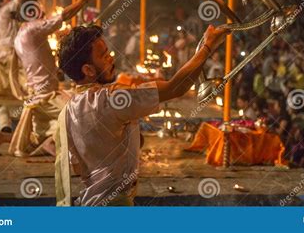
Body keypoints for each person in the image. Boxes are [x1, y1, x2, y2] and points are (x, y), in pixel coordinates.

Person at [55, 24, 229, 206]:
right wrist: (208, 46)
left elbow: (80, 164)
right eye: (103, 55)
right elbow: (176, 87)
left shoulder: (68, 111)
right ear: (88, 70)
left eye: (108, 52)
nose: (110, 58)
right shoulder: (111, 99)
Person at [0, 0, 100, 157]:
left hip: (36, 95)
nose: (44, 12)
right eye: (39, 9)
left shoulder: (22, 34)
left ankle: (1, 137)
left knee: (36, 137)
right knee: (79, 113)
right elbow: (64, 15)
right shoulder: (32, 29)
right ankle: (53, 143)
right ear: (30, 11)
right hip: (47, 96)